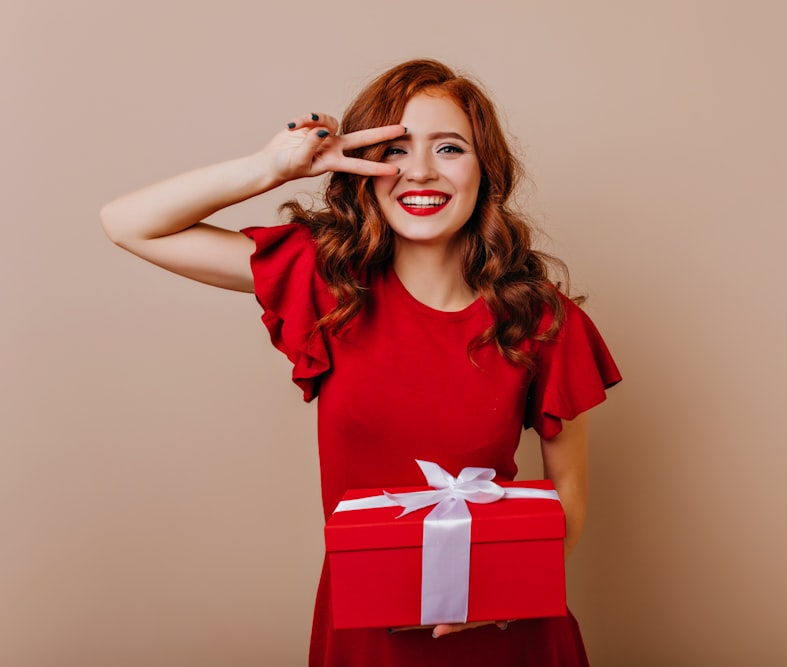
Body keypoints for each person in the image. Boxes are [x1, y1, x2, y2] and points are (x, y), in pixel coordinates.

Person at [100, 58, 621, 667]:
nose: (420, 170)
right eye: (395, 149)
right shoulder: (326, 284)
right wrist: (274, 167)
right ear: (362, 167)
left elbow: (570, 493)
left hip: (510, 633)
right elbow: (129, 225)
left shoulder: (541, 320)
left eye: (450, 148)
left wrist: (503, 594)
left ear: (487, 172)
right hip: (367, 635)